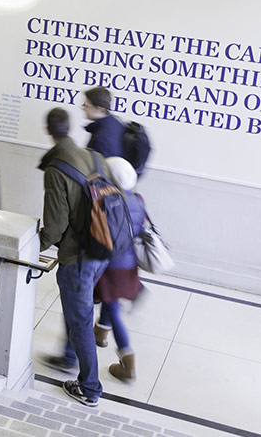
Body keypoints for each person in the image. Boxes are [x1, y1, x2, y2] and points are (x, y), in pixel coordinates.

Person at [38, 107, 111, 407]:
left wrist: (35, 244)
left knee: (80, 320)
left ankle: (90, 389)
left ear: (49, 132)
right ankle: (68, 356)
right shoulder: (95, 157)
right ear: (69, 128)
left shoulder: (57, 169)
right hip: (101, 251)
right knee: (77, 312)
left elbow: (54, 227)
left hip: (77, 258)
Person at [94, 156, 146, 382]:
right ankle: (101, 333)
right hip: (129, 263)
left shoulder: (111, 201)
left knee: (113, 306)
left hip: (112, 264)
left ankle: (128, 362)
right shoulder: (138, 199)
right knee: (110, 299)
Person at [82, 86, 125, 158]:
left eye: (86, 106)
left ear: (100, 109)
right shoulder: (116, 123)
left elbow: (98, 168)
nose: (83, 108)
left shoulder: (101, 140)